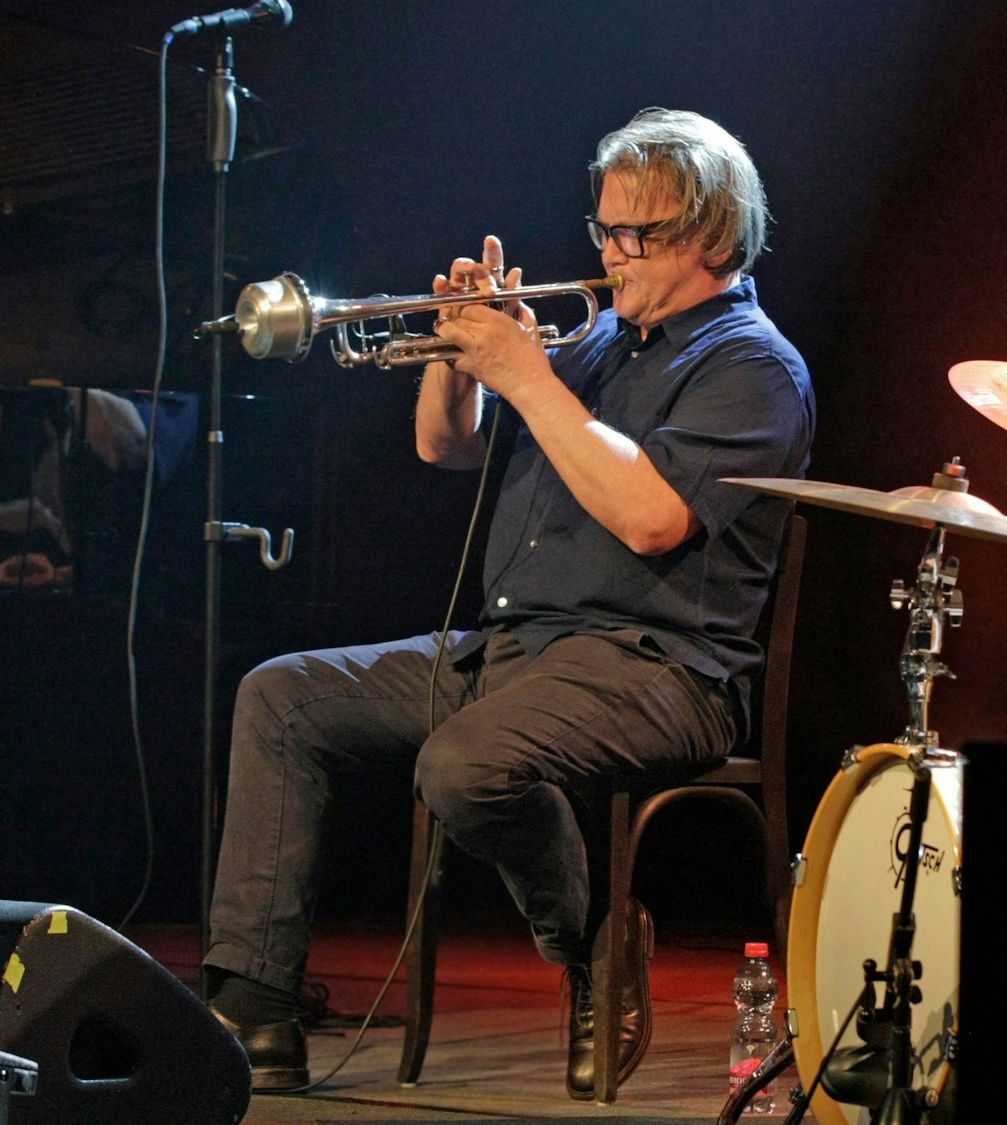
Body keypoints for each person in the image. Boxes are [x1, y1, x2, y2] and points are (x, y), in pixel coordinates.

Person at [201, 108, 815, 1098]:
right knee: (281, 697)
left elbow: (652, 518)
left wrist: (526, 375)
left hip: (661, 669)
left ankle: (588, 943)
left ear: (713, 236)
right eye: (604, 229)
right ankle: (254, 1012)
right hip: (514, 647)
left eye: (638, 235)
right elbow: (444, 447)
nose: (611, 255)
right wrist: (459, 359)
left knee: (463, 763)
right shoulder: (601, 342)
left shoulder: (753, 368)